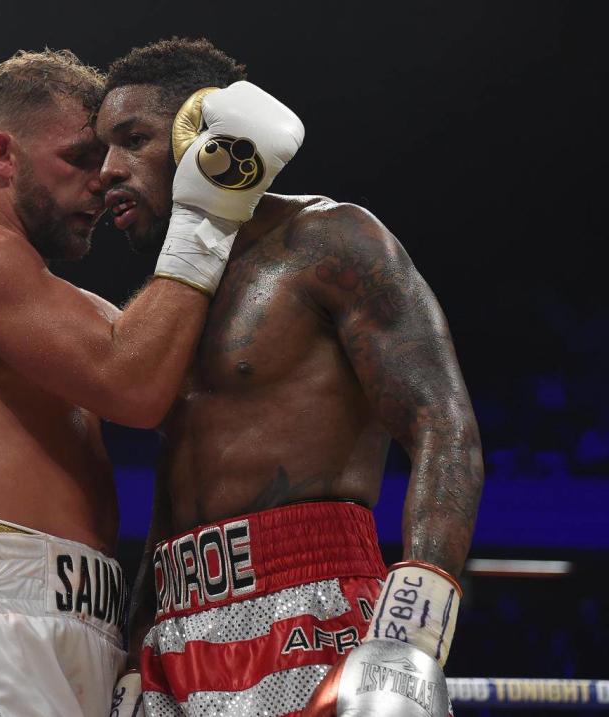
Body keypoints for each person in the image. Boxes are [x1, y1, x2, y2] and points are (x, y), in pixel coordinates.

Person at [0, 48, 302, 716]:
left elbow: (169, 374)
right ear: (2, 155)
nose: (102, 182)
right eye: (79, 158)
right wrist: (207, 210)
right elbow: (130, 384)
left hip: (86, 620)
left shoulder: (81, 316)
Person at [96, 38, 484, 717]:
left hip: (314, 605)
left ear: (203, 131)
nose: (107, 171)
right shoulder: (173, 303)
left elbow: (441, 423)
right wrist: (134, 648)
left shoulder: (331, 241)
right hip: (174, 634)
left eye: (132, 139)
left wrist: (412, 631)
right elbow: (175, 492)